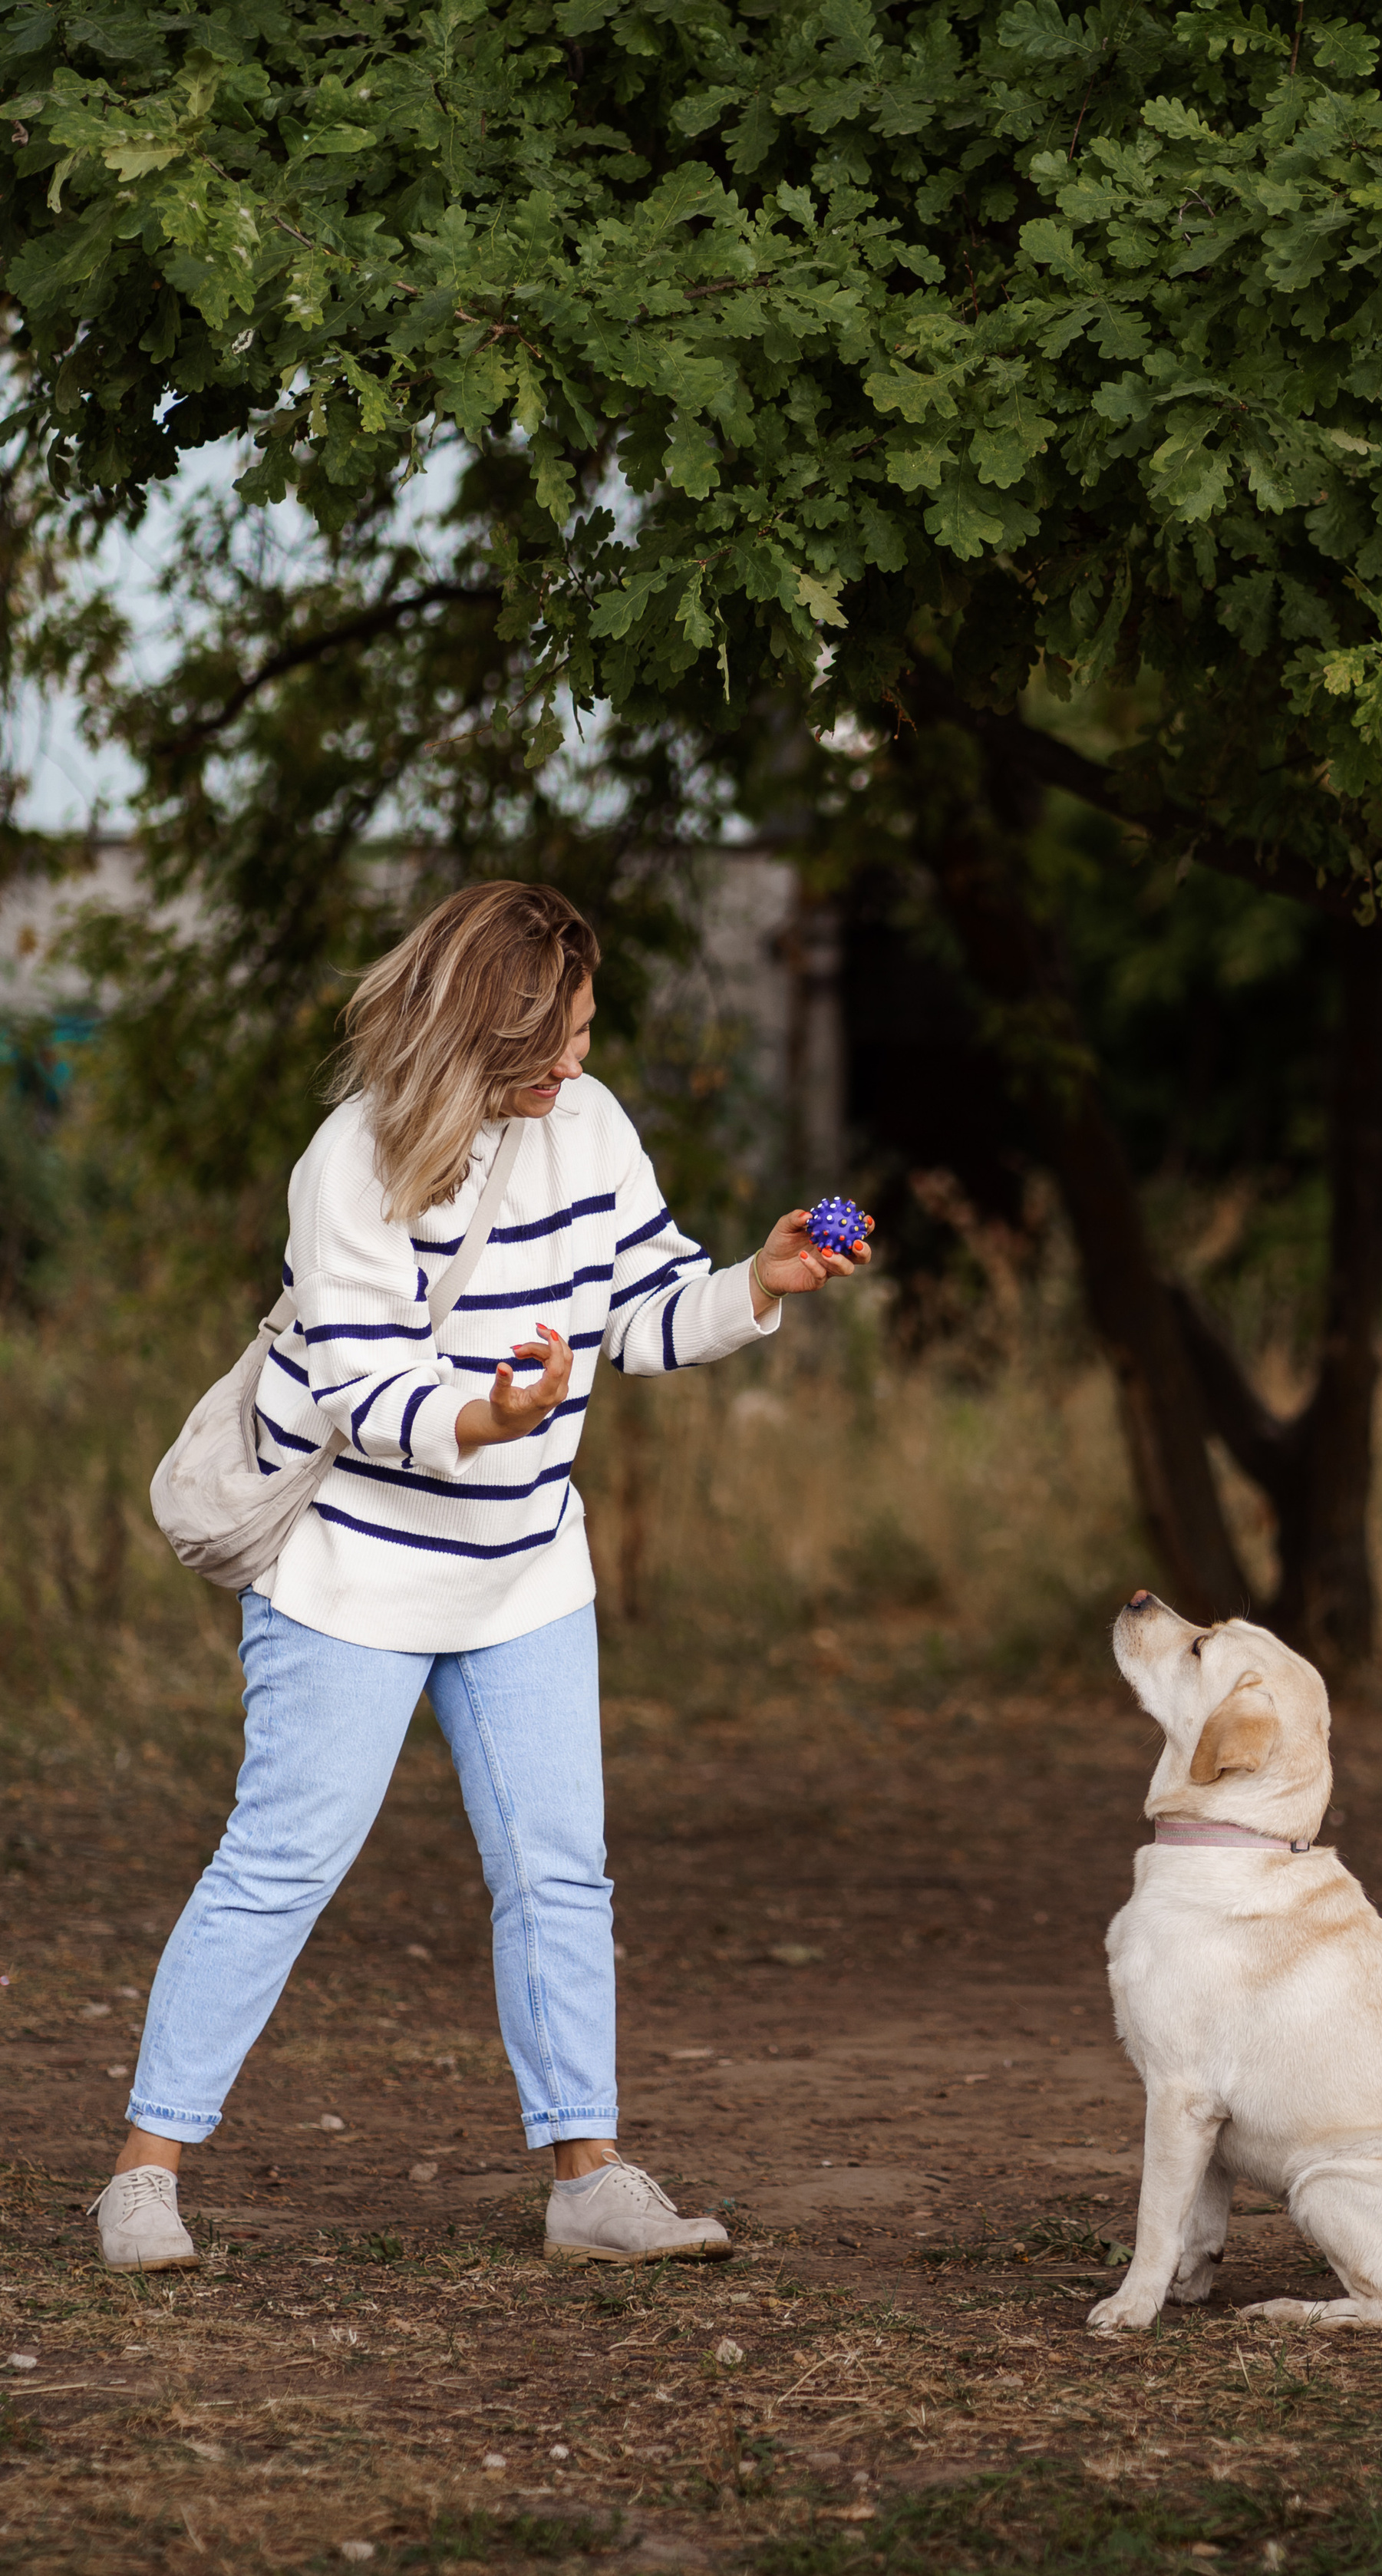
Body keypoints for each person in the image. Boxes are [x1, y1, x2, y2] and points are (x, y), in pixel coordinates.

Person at [89, 879, 869, 2274]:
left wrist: (757, 1282)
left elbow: (639, 1309)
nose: (573, 1061)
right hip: (354, 1576)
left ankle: (590, 2177)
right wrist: (487, 1421)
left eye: (580, 1030)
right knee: (282, 1862)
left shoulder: (590, 1125)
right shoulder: (352, 1161)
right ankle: (145, 2175)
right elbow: (366, 1387)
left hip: (521, 1574)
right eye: (547, 1042)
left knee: (561, 1871)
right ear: (469, 1033)